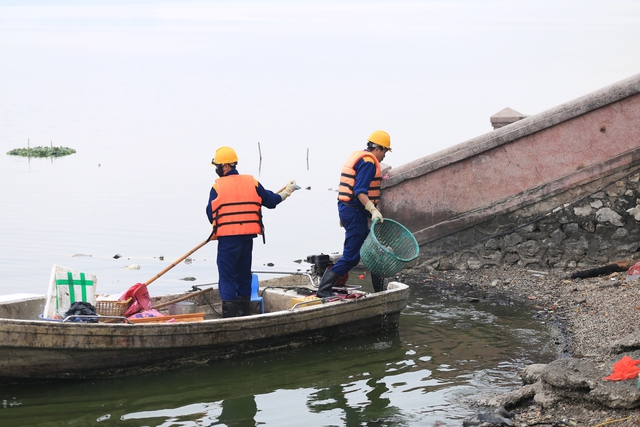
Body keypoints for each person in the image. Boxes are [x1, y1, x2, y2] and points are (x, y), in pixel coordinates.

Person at [206, 146, 296, 317]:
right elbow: (270, 201)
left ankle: (230, 317)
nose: (216, 170)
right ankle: (244, 313)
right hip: (247, 237)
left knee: (227, 277)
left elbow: (210, 214)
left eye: (217, 166)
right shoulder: (252, 182)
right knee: (244, 274)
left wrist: (224, 224)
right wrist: (286, 192)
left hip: (228, 240)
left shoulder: (217, 186)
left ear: (225, 167)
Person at [316, 130, 391, 297]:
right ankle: (323, 290)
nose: (385, 155)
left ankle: (381, 293)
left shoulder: (360, 157)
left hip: (347, 209)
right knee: (351, 257)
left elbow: (345, 188)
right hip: (355, 213)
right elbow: (359, 191)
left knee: (373, 253)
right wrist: (373, 210)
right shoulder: (369, 163)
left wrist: (343, 215)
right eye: (385, 151)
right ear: (378, 149)